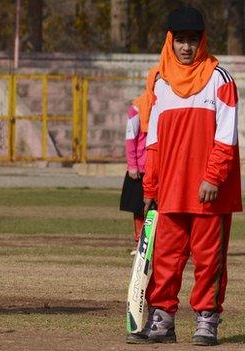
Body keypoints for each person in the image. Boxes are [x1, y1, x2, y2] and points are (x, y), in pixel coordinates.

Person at [126, 6, 241, 346]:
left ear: (202, 41)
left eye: (193, 40)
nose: (187, 47)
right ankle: (162, 320)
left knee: (208, 261)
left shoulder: (220, 80)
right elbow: (155, 141)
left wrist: (213, 178)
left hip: (210, 192)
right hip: (171, 191)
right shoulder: (160, 84)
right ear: (170, 41)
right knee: (166, 258)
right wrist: (151, 186)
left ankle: (207, 319)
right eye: (180, 41)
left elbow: (227, 137)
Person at [119, 67, 159, 254]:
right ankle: (140, 243)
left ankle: (157, 243)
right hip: (141, 167)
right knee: (139, 207)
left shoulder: (167, 106)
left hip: (160, 167)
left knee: (159, 209)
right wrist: (132, 165)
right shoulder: (136, 108)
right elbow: (130, 138)